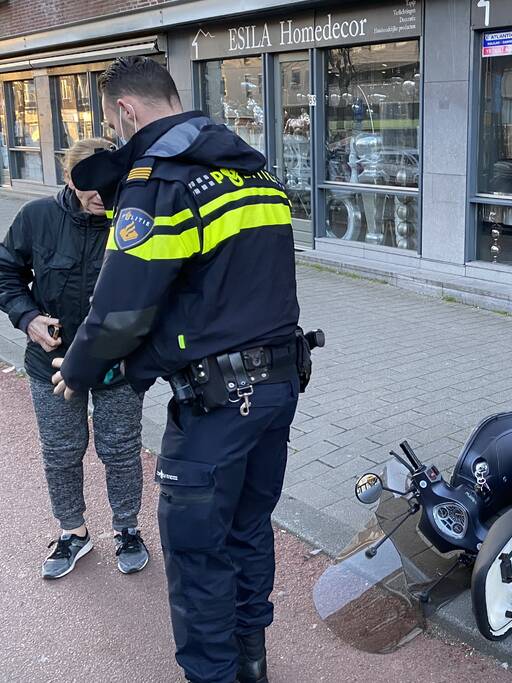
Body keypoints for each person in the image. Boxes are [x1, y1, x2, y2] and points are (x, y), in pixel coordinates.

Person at [51, 56, 302, 683]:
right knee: (248, 527)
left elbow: (121, 311)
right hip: (278, 386)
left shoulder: (159, 183)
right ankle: (252, 662)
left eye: (116, 123)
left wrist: (80, 370)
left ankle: (214, 675)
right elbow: (219, 295)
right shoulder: (254, 172)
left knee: (195, 549)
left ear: (126, 111)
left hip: (217, 403)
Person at [0, 138, 149, 579]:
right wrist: (27, 318)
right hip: (50, 363)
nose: (102, 194)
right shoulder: (37, 217)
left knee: (121, 451)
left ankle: (126, 528)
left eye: (112, 182)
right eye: (91, 184)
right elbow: (6, 271)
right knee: (61, 452)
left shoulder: (133, 222)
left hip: (117, 366)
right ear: (70, 178)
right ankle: (73, 532)